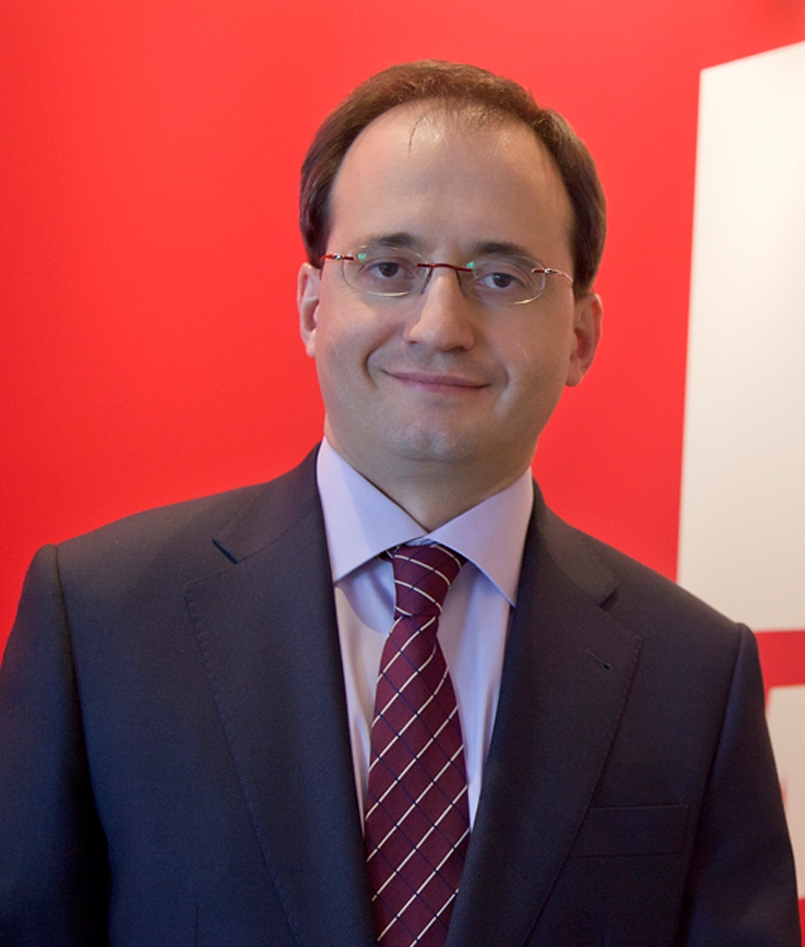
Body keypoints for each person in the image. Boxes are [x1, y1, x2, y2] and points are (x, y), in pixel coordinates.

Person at [0, 60, 799, 947]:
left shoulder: (696, 676)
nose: (438, 324)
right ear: (312, 307)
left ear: (579, 334)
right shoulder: (100, 621)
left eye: (502, 277)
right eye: (388, 266)